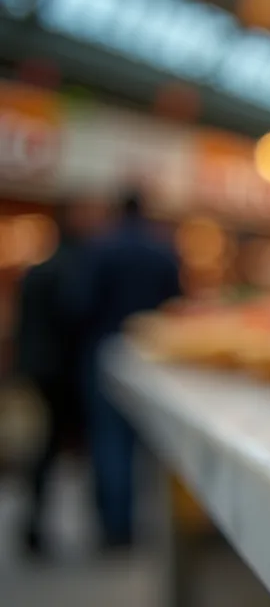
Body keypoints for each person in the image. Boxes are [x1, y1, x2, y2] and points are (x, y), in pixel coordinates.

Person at [69, 191, 182, 548]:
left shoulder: (100, 248)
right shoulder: (162, 249)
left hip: (107, 348)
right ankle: (143, 521)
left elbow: (80, 303)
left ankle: (115, 527)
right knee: (146, 440)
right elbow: (175, 303)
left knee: (109, 440)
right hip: (151, 353)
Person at [14, 205, 87, 556]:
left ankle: (33, 525)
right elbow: (73, 320)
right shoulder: (69, 272)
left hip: (35, 368)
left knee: (43, 446)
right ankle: (37, 526)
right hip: (60, 370)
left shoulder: (35, 272)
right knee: (52, 447)